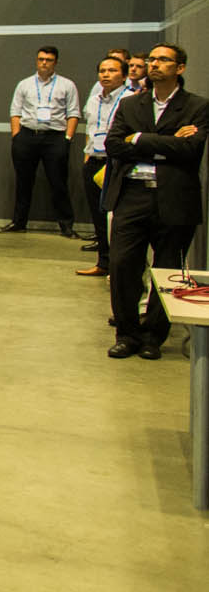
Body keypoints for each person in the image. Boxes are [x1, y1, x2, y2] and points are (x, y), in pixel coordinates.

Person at [105, 43, 209, 360]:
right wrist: (168, 143)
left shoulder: (197, 106)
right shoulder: (130, 104)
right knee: (122, 265)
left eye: (163, 60)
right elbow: (113, 145)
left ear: (180, 68)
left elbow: (191, 150)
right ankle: (127, 334)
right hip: (132, 194)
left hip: (174, 197)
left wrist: (139, 139)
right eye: (152, 59)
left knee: (167, 270)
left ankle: (153, 336)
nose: (154, 64)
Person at [1, 45, 82, 237]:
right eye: (41, 59)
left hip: (55, 138)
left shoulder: (67, 85)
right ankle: (19, 222)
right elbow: (15, 111)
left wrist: (67, 139)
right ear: (36, 61)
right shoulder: (24, 84)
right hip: (27, 135)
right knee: (23, 182)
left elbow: (73, 113)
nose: (44, 63)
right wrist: (16, 136)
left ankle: (66, 226)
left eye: (48, 60)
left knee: (58, 183)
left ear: (56, 62)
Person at [78, 55, 130, 277]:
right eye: (102, 71)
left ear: (124, 76)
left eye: (112, 70)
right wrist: (87, 155)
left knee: (116, 218)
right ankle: (103, 262)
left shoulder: (131, 99)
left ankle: (119, 267)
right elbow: (91, 130)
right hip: (94, 159)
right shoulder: (94, 99)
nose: (106, 75)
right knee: (98, 216)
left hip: (116, 163)